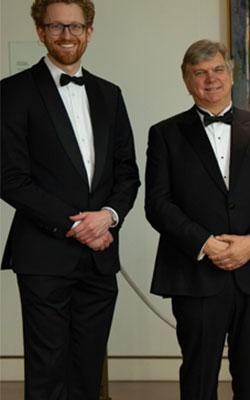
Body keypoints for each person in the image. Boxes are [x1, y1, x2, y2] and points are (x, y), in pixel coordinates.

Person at [0, 1, 140, 397]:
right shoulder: (11, 93)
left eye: (75, 26)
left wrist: (108, 217)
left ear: (89, 32)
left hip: (100, 256)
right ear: (40, 31)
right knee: (47, 371)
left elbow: (128, 173)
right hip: (44, 255)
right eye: (56, 26)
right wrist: (78, 225)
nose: (67, 35)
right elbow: (10, 179)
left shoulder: (110, 95)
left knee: (88, 369)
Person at [145, 39, 250, 400]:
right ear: (186, 80)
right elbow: (158, 204)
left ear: (231, 74)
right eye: (200, 73)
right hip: (195, 275)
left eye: (217, 70)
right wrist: (205, 243)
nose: (210, 79)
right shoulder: (165, 133)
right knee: (198, 378)